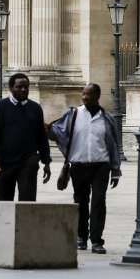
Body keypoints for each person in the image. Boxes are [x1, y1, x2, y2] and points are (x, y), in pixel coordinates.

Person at [50, 84, 122, 254]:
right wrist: (47, 129)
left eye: (88, 94)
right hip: (78, 165)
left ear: (97, 96)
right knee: (80, 202)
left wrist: (115, 169)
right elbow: (58, 132)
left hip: (100, 166)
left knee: (98, 202)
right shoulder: (73, 115)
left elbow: (113, 145)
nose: (84, 97)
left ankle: (97, 240)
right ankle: (81, 237)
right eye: (83, 94)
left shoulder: (107, 118)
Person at [0, 73, 52, 201]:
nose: (23, 89)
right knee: (3, 201)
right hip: (4, 163)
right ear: (11, 88)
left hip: (28, 162)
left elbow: (41, 137)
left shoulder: (35, 108)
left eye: (26, 87)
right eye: (19, 87)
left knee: (28, 201)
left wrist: (46, 161)